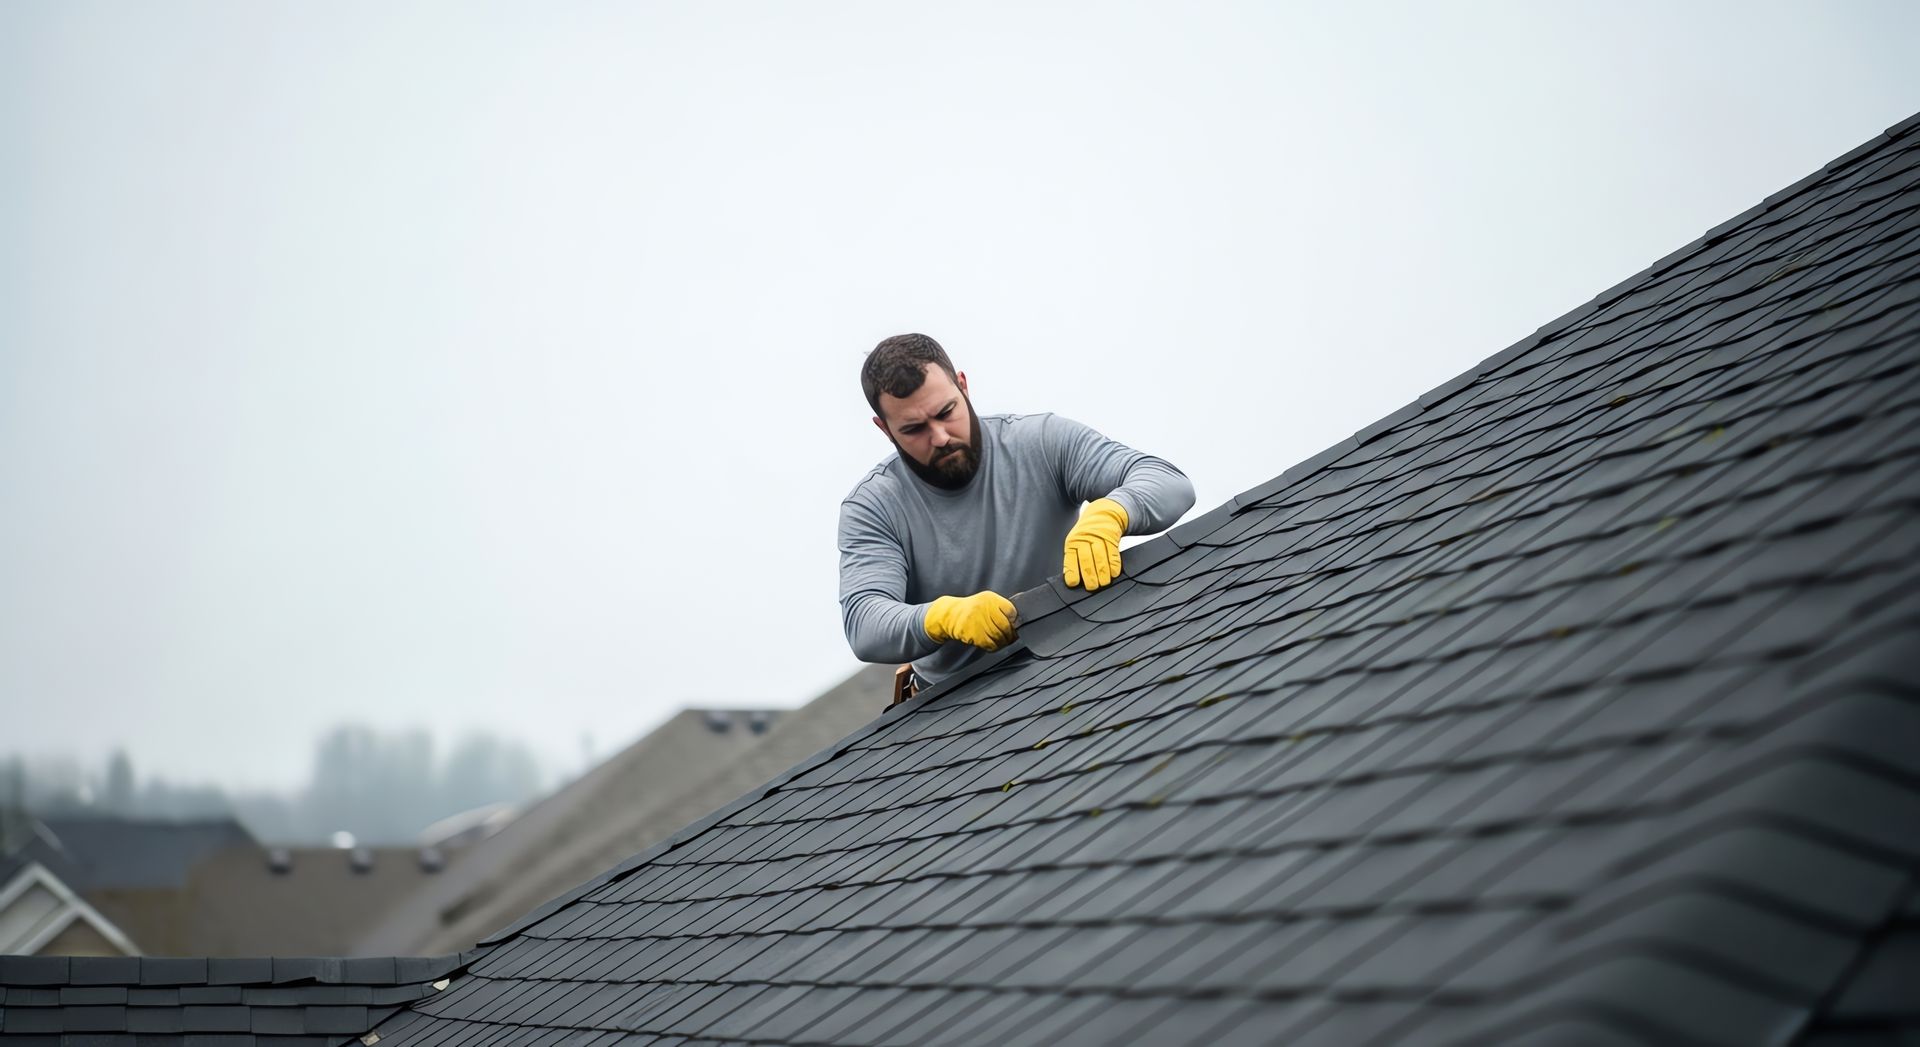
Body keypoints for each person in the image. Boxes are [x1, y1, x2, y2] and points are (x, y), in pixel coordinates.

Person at [838, 333, 1196, 703]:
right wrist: (943, 617)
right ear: (884, 428)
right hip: (956, 705)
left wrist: (1112, 513)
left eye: (946, 413)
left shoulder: (1039, 442)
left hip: (1081, 658)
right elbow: (865, 624)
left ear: (963, 386)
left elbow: (1168, 482)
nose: (941, 436)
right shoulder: (874, 507)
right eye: (914, 429)